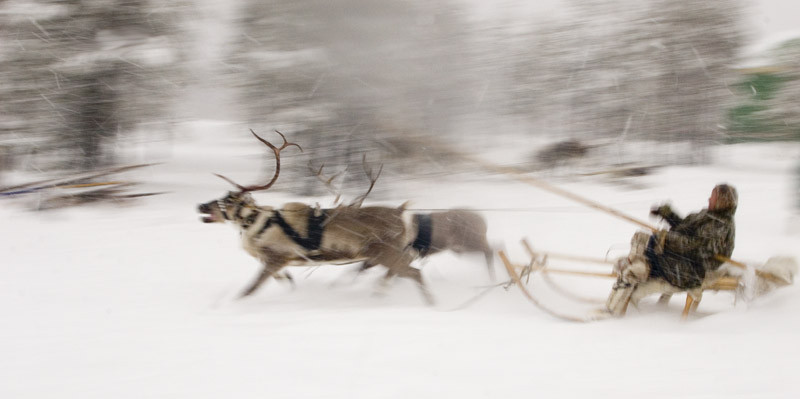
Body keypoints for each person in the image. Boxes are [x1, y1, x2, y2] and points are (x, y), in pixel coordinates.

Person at [604, 183, 738, 317]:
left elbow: (696, 247)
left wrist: (666, 239)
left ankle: (635, 275)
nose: (709, 199)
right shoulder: (709, 215)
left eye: (713, 197)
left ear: (722, 202)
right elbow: (685, 229)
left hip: (693, 269)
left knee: (647, 246)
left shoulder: (719, 226)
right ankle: (636, 265)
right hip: (685, 259)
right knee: (641, 237)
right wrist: (668, 215)